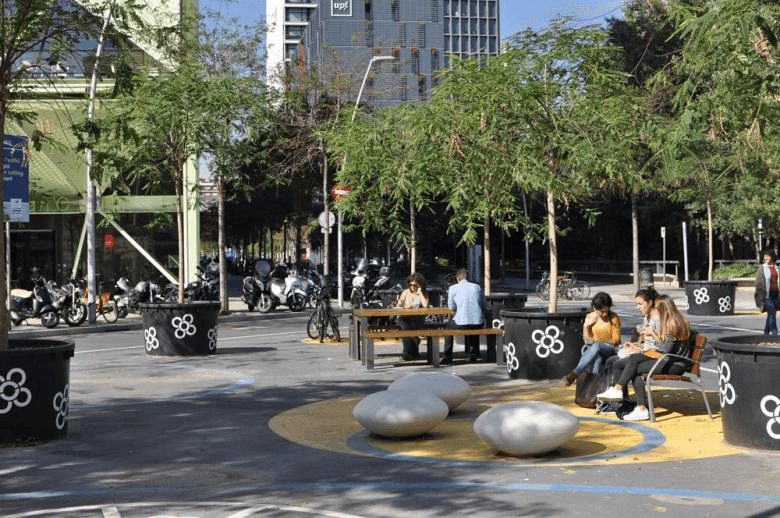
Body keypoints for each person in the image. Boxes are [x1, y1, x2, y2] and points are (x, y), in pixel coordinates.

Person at [597, 292, 690, 421]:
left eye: (656, 307)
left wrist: (652, 334)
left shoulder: (672, 323)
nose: (655, 310)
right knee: (630, 363)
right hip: (666, 360)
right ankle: (636, 405)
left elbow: (664, 349)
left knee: (633, 363)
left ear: (663, 308)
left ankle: (626, 396)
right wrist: (639, 346)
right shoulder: (668, 321)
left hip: (675, 364)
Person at [564, 292, 621, 386]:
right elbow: (587, 340)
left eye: (606, 310)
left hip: (609, 350)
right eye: (601, 311)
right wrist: (586, 326)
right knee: (597, 359)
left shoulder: (614, 318)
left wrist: (601, 343)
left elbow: (617, 340)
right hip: (593, 351)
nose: (604, 313)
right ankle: (594, 390)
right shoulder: (590, 317)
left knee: (597, 345)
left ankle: (575, 373)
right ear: (595, 308)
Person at [442, 269, 486, 364]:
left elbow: (451, 308)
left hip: (461, 323)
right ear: (468, 278)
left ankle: (448, 355)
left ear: (457, 278)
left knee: (448, 327)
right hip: (478, 323)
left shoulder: (453, 288)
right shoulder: (477, 287)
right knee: (473, 324)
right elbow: (484, 306)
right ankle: (473, 353)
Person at [396, 272, 429, 361]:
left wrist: (420, 291)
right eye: (411, 285)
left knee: (409, 328)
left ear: (420, 284)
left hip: (417, 318)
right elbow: (398, 305)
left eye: (415, 285)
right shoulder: (405, 292)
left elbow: (425, 305)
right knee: (406, 327)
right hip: (404, 317)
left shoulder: (423, 293)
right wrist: (405, 306)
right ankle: (407, 352)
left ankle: (411, 353)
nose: (412, 287)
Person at [755, 249, 779, 335]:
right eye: (765, 256)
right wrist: (760, 297)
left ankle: (765, 333)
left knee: (771, 315)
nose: (766, 258)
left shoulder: (776, 267)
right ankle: (774, 332)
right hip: (767, 295)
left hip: (776, 295)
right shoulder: (762, 268)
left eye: (768, 256)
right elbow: (758, 284)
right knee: (772, 311)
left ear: (772, 256)